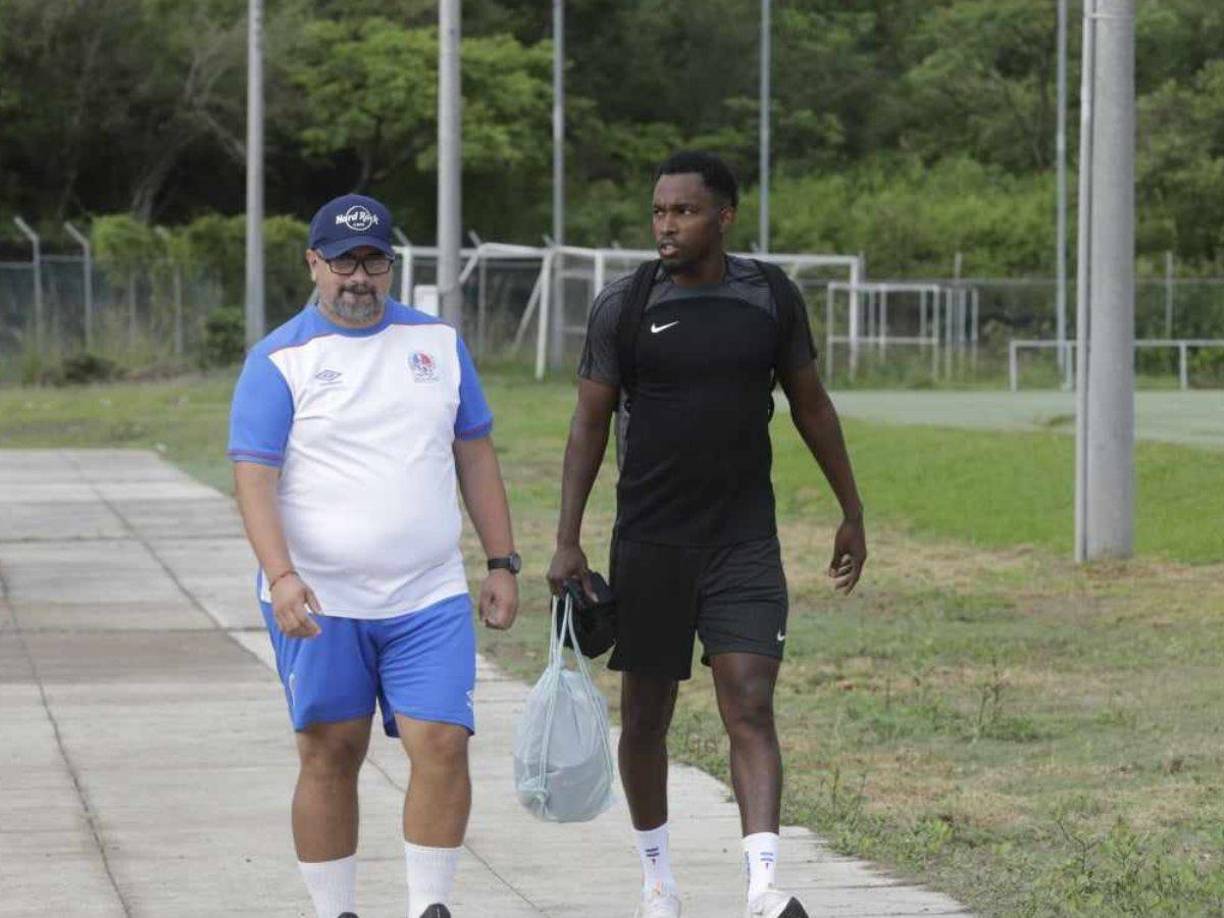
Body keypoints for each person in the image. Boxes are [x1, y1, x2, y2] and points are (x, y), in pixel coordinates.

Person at [547, 151, 867, 918]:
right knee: (647, 716)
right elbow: (589, 424)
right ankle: (658, 878)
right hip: (651, 542)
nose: (666, 225)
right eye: (659, 211)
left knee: (750, 704)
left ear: (723, 217)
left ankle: (762, 887)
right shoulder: (624, 305)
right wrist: (567, 539)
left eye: (683, 211)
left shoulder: (770, 296)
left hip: (743, 539)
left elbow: (811, 405)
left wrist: (852, 509)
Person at [229, 193, 521, 918]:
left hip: (428, 595)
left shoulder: (439, 345)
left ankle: (430, 906)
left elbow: (475, 454)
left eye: (374, 261)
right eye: (342, 262)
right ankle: (337, 911)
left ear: (392, 264)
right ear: (313, 263)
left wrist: (501, 561)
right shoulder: (279, 360)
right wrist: (282, 575)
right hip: (321, 604)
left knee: (443, 742)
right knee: (331, 751)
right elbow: (253, 481)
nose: (358, 278)